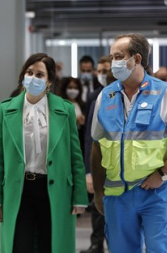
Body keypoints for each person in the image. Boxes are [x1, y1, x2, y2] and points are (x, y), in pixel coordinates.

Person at [0, 53, 88, 253]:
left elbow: (75, 156)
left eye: (40, 75)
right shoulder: (5, 109)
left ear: (49, 81)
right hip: (19, 189)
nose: (33, 78)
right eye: (29, 72)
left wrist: (79, 196)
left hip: (54, 188)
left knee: (50, 244)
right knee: (20, 245)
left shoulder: (65, 109)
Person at [91, 33, 167, 253]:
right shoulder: (105, 96)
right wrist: (97, 191)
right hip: (117, 195)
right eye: (112, 57)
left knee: (158, 248)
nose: (114, 63)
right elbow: (97, 145)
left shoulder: (162, 93)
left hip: (156, 191)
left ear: (137, 59)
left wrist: (162, 174)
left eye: (119, 56)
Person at [81, 56, 115, 253]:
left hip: (122, 167)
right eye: (101, 71)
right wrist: (89, 172)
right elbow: (90, 139)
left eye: (107, 70)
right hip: (100, 164)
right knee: (98, 207)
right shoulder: (95, 98)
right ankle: (96, 244)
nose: (103, 75)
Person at [59, 76, 86, 155]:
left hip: (80, 139)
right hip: (65, 140)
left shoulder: (82, 105)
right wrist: (74, 120)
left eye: (75, 88)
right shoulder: (61, 105)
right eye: (70, 87)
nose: (73, 90)